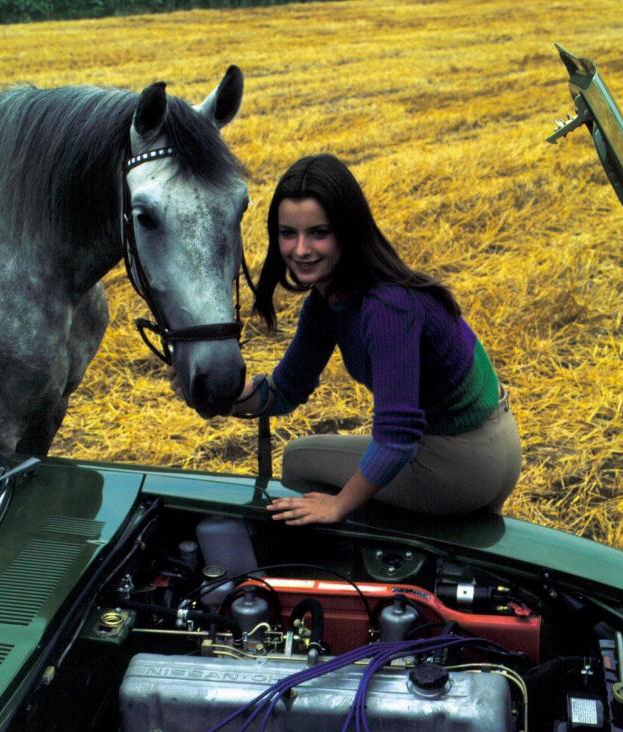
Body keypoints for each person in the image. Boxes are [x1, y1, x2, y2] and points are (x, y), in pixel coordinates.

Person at [176, 153, 521, 526]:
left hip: (465, 459)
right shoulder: (329, 302)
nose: (300, 250)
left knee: (300, 463)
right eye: (288, 233)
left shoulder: (388, 307)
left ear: (348, 231)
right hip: (477, 446)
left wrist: (338, 506)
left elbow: (397, 438)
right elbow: (287, 391)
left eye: (319, 233)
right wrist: (224, 394)